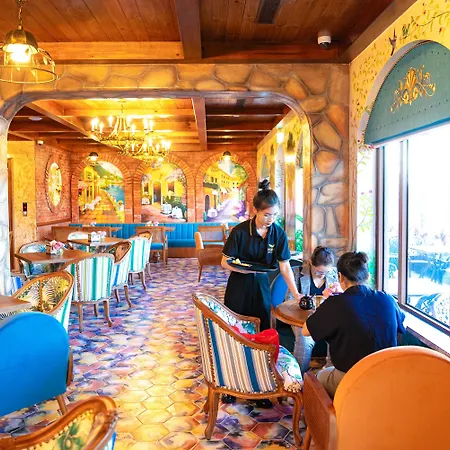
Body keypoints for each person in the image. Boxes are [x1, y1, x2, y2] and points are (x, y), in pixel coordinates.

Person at [221, 179, 302, 406]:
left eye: (275, 215)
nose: (271, 219)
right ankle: (230, 384)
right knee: (236, 333)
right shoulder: (240, 231)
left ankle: (261, 387)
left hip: (261, 287)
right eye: (267, 214)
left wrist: (296, 294)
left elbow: (285, 266)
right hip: (239, 285)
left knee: (262, 334)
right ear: (255, 211)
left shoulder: (278, 234)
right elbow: (225, 262)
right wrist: (245, 270)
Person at [302, 251, 406, 397]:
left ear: (340, 277)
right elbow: (401, 325)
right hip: (387, 376)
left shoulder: (336, 304)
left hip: (352, 378)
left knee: (316, 378)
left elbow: (305, 331)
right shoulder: (387, 299)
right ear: (367, 276)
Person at [290, 246, 340, 374]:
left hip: (327, 319)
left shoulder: (335, 275)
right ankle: (299, 376)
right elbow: (288, 300)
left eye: (325, 272)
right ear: (311, 263)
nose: (322, 275)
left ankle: (329, 374)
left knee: (337, 335)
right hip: (301, 318)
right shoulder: (297, 273)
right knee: (304, 339)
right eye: (318, 272)